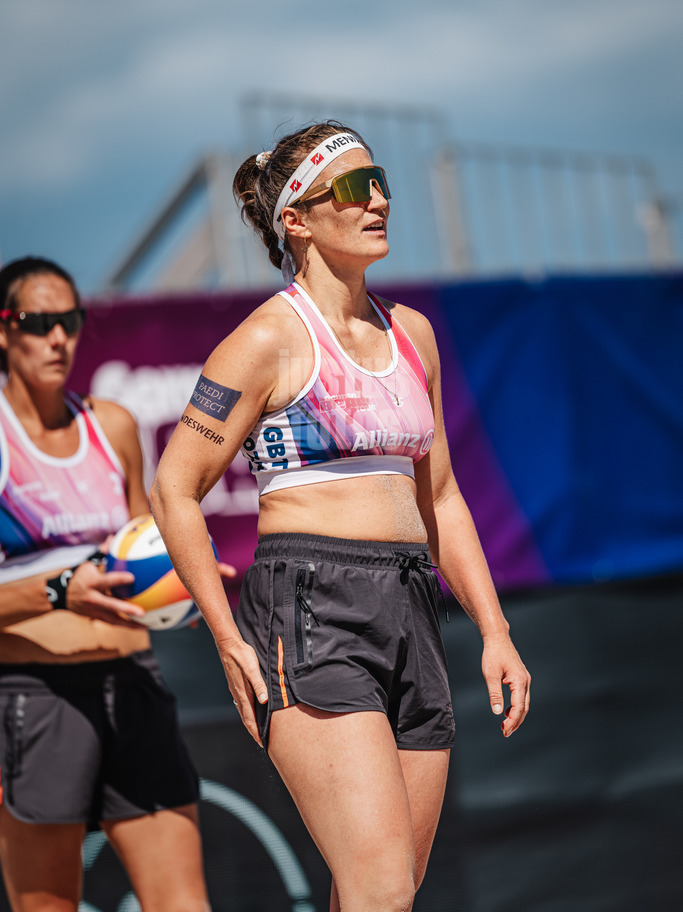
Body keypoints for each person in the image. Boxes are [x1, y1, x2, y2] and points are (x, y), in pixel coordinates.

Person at [150, 121, 531, 912]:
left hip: (411, 604)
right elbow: (174, 488)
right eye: (356, 188)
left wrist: (494, 631)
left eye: (381, 181)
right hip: (312, 605)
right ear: (296, 217)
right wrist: (226, 639)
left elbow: (443, 499)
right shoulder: (265, 339)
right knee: (380, 887)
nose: (380, 201)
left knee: (383, 892)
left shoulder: (412, 335)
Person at [0, 257, 209, 912]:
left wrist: (186, 580)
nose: (58, 337)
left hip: (132, 681)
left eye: (70, 320)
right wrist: (59, 589)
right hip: (35, 693)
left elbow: (146, 547)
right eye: (38, 322)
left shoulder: (111, 426)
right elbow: (64, 583)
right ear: (4, 331)